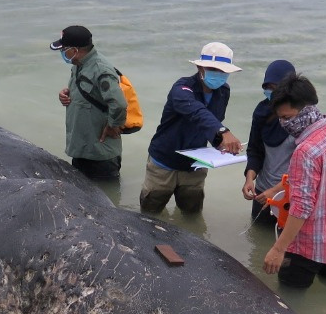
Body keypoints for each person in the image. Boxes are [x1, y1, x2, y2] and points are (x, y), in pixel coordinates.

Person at [260, 76, 326, 288]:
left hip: (306, 246)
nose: (285, 124)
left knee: (290, 302)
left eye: (288, 117)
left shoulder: (305, 152)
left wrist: (278, 249)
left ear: (307, 110)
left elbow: (301, 207)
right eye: (281, 119)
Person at [139, 40, 243, 213]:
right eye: (213, 70)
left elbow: (212, 121)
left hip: (196, 164)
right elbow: (197, 112)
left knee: (192, 213)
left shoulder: (224, 91)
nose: (218, 74)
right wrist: (223, 131)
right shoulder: (182, 88)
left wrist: (220, 143)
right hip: (164, 162)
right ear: (200, 68)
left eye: (223, 71)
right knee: (150, 213)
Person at [51, 25, 128, 180]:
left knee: (105, 197)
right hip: (82, 147)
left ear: (75, 50)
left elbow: (119, 103)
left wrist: (113, 125)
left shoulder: (101, 70)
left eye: (64, 49)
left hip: (99, 154)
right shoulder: (79, 65)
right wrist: (66, 93)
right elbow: (89, 92)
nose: (62, 52)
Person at [241, 59, 296, 228]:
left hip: (290, 195)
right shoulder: (261, 111)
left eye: (276, 88)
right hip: (262, 191)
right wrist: (249, 178)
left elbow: (303, 168)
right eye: (268, 87)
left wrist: (277, 190)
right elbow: (255, 150)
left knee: (285, 246)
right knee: (258, 241)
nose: (271, 92)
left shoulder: (301, 117)